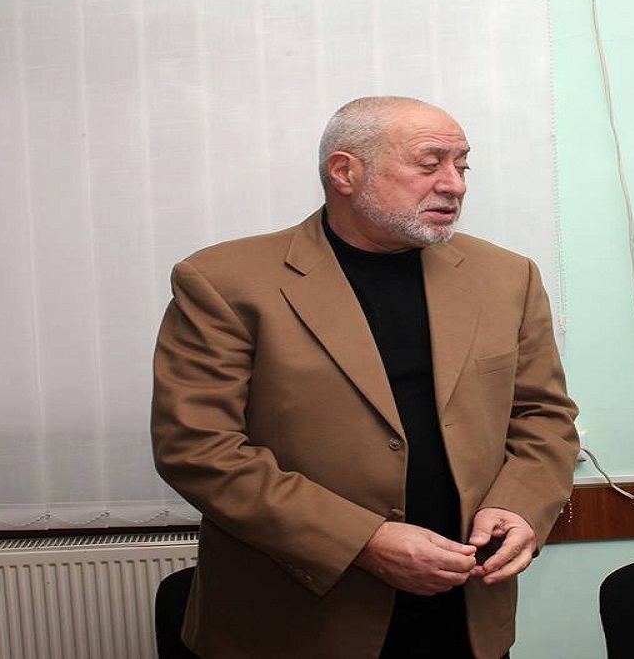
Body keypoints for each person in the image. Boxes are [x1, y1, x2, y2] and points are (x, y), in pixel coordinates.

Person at [151, 96, 579, 659]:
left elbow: (543, 416)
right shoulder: (225, 281)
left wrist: (521, 504)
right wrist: (364, 542)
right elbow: (198, 449)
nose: (454, 185)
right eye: (429, 164)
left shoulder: (507, 277)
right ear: (345, 172)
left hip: (466, 611)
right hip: (300, 621)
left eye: (462, 165)